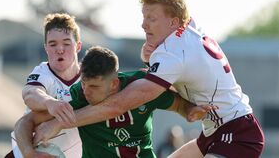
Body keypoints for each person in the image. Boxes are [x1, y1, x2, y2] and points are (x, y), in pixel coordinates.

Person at [38, 0, 264, 158]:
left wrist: (59, 123)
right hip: (215, 132)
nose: (144, 25)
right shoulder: (189, 28)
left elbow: (119, 104)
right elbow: (176, 66)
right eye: (144, 17)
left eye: (152, 18)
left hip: (237, 135)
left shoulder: (173, 53)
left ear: (174, 21)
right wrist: (150, 56)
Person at [14, 46, 216, 158]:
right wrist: (29, 153)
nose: (86, 91)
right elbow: (24, 123)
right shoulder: (77, 95)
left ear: (114, 84)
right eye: (84, 83)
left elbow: (179, 105)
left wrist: (190, 110)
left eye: (94, 87)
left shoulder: (142, 87)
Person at [8, 13, 82, 158]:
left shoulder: (89, 78)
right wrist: (50, 102)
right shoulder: (43, 73)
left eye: (66, 43)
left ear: (78, 46)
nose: (59, 49)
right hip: (30, 153)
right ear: (46, 48)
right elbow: (30, 93)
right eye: (53, 44)